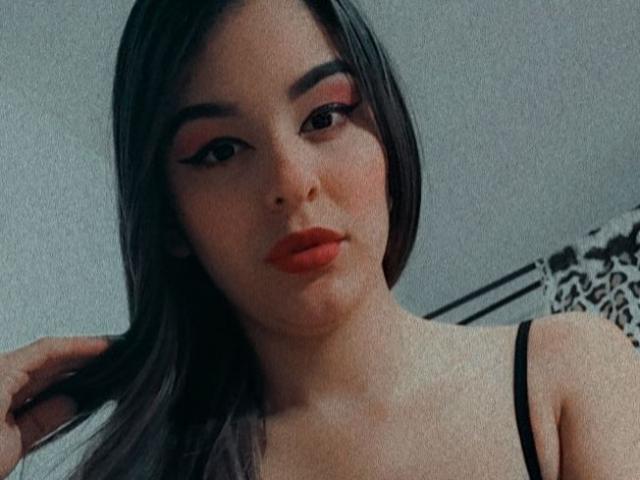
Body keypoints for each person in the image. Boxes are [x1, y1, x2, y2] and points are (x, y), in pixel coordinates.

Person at [1, 0, 639, 478]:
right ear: (171, 221)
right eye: (221, 151)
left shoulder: (567, 375)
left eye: (324, 116)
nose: (290, 182)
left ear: (385, 133)